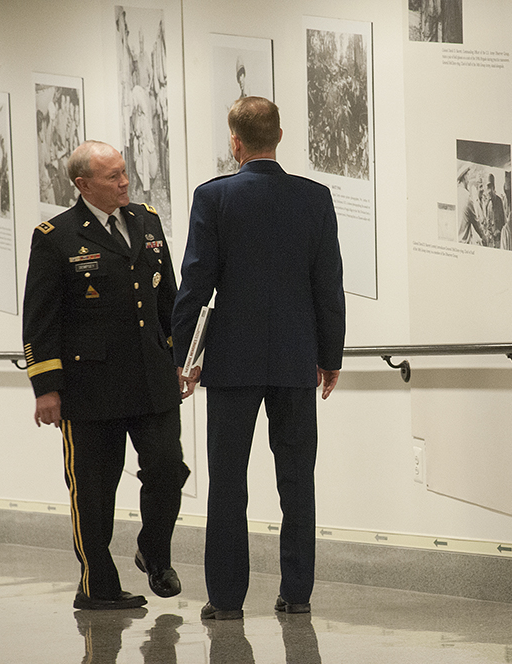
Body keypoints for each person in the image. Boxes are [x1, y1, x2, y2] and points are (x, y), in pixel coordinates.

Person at [171, 96, 346, 621]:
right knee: (297, 478)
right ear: (280, 135)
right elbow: (328, 285)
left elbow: (196, 284)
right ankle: (296, 593)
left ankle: (225, 600)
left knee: (228, 481)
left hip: (232, 362)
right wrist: (329, 355)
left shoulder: (214, 197)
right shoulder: (315, 198)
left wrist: (185, 355)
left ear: (235, 142)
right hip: (296, 359)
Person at [22, 140, 191, 611]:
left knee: (166, 470)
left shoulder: (147, 220)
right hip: (88, 386)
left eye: (125, 172)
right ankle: (97, 584)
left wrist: (180, 358)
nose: (124, 182)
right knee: (94, 487)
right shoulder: (56, 235)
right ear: (83, 184)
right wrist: (46, 387)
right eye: (113, 176)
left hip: (151, 376)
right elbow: (39, 319)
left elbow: (168, 301)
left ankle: (154, 552)